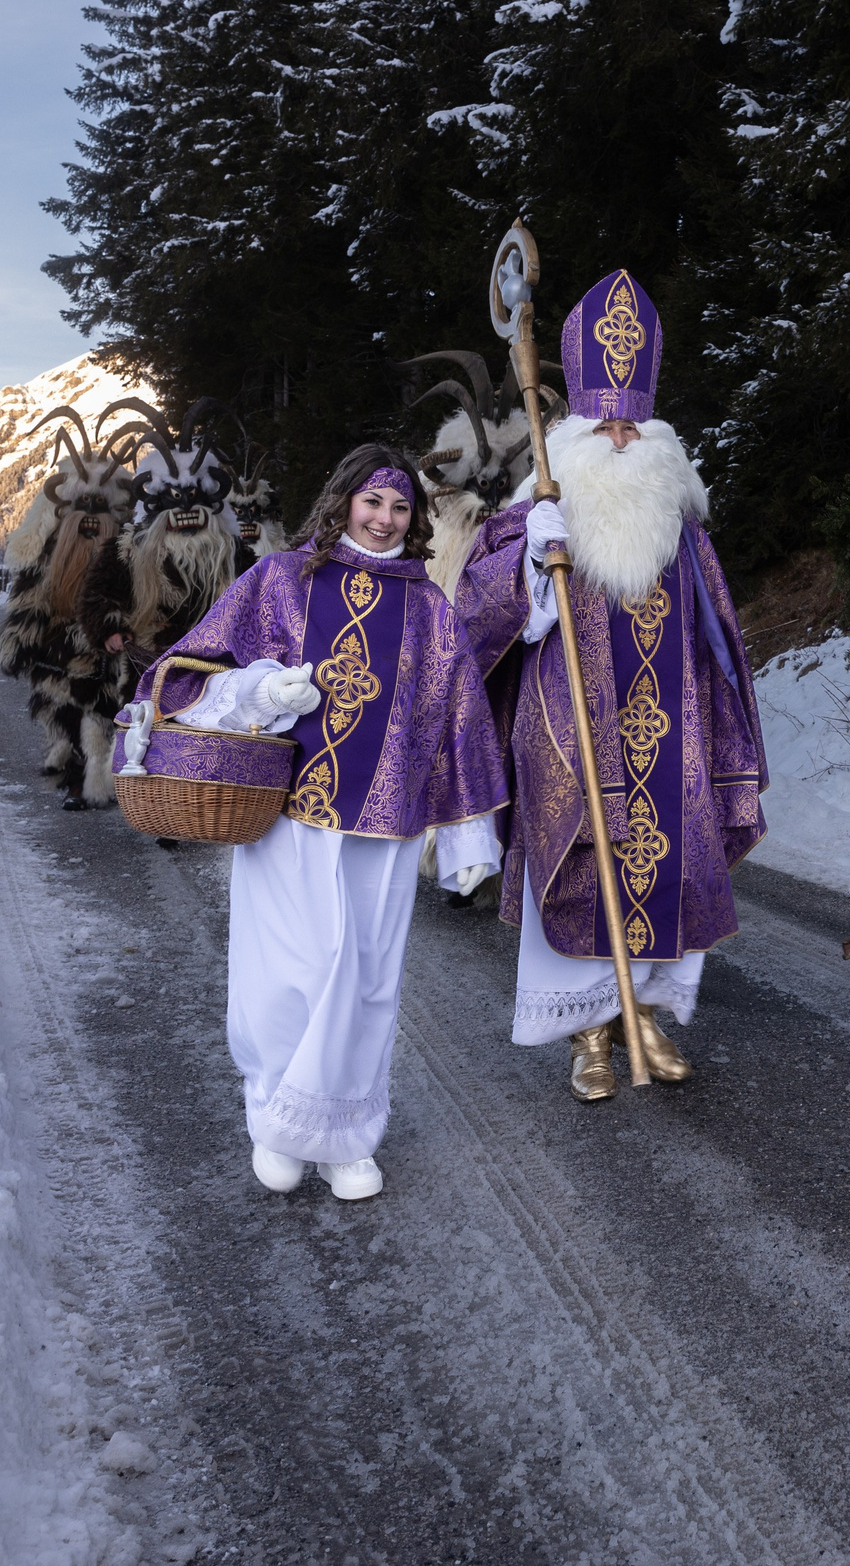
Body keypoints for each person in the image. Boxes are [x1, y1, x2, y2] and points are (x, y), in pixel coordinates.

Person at [131, 445, 507, 1198]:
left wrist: (469, 833)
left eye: (399, 508)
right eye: (372, 503)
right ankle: (274, 1111)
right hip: (289, 813)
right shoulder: (281, 580)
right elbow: (195, 670)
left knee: (366, 979)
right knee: (287, 970)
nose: (384, 520)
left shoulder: (429, 608)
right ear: (342, 502)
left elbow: (460, 720)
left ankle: (346, 1134)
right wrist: (265, 693)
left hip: (387, 821)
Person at [456, 269, 768, 1102]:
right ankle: (586, 1032)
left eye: (635, 426)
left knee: (669, 864)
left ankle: (645, 1016)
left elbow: (716, 637)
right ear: (575, 435)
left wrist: (722, 725)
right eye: (607, 426)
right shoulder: (536, 517)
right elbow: (475, 621)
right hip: (569, 730)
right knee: (578, 866)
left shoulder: (682, 528)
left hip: (671, 732)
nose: (624, 440)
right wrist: (529, 563)